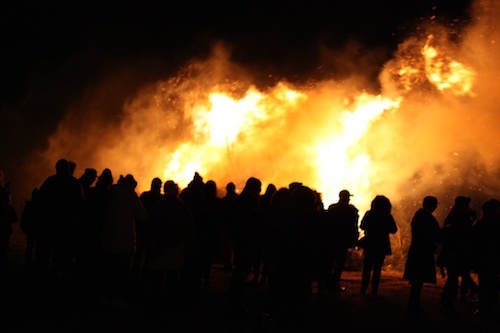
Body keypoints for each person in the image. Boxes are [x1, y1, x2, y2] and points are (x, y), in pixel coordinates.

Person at [100, 174, 147, 308]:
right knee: (121, 271)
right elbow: (142, 215)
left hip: (109, 238)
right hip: (124, 241)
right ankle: (117, 298)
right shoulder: (130, 195)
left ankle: (105, 296)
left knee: (109, 269)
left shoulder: (111, 192)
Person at [144, 180, 194, 305]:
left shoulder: (158, 206)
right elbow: (188, 227)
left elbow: (149, 224)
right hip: (176, 246)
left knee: (158, 276)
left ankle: (154, 303)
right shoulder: (182, 207)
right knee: (172, 277)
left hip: (159, 246)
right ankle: (171, 304)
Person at [35, 159, 84, 274]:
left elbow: (40, 200)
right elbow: (80, 205)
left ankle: (40, 279)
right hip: (66, 226)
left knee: (44, 255)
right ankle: (58, 280)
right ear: (68, 169)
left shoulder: (50, 182)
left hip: (50, 224)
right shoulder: (74, 183)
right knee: (62, 256)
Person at [438, 196, 477, 315]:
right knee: (453, 280)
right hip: (456, 252)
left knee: (455, 278)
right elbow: (463, 233)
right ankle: (447, 305)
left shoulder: (456, 215)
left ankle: (447, 304)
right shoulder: (458, 216)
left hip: (457, 252)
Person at [403, 196, 440, 316]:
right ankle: (413, 307)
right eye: (434, 204)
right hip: (422, 252)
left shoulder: (420, 215)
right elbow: (431, 234)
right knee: (418, 281)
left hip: (419, 250)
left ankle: (414, 306)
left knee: (417, 282)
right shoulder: (425, 217)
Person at [321, 189, 359, 292]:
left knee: (329, 262)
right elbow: (354, 226)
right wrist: (354, 238)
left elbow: (326, 223)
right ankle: (335, 283)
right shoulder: (352, 210)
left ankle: (327, 283)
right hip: (343, 240)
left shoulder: (332, 208)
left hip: (332, 239)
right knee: (339, 263)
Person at [359, 195, 398, 296]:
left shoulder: (370, 214)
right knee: (377, 268)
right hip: (381, 244)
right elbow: (393, 230)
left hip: (370, 243)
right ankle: (374, 290)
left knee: (367, 267)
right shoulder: (387, 216)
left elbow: (362, 226)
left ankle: (363, 289)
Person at [471, 199, 500, 319]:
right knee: (493, 284)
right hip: (494, 258)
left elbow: (474, 242)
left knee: (484, 284)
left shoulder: (481, 224)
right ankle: (491, 307)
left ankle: (484, 308)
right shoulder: (496, 223)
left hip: (485, 259)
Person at [0, 171, 17, 270]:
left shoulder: (5, 192)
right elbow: (7, 208)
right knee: (3, 249)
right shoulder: (5, 193)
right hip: (3, 225)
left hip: (4, 225)